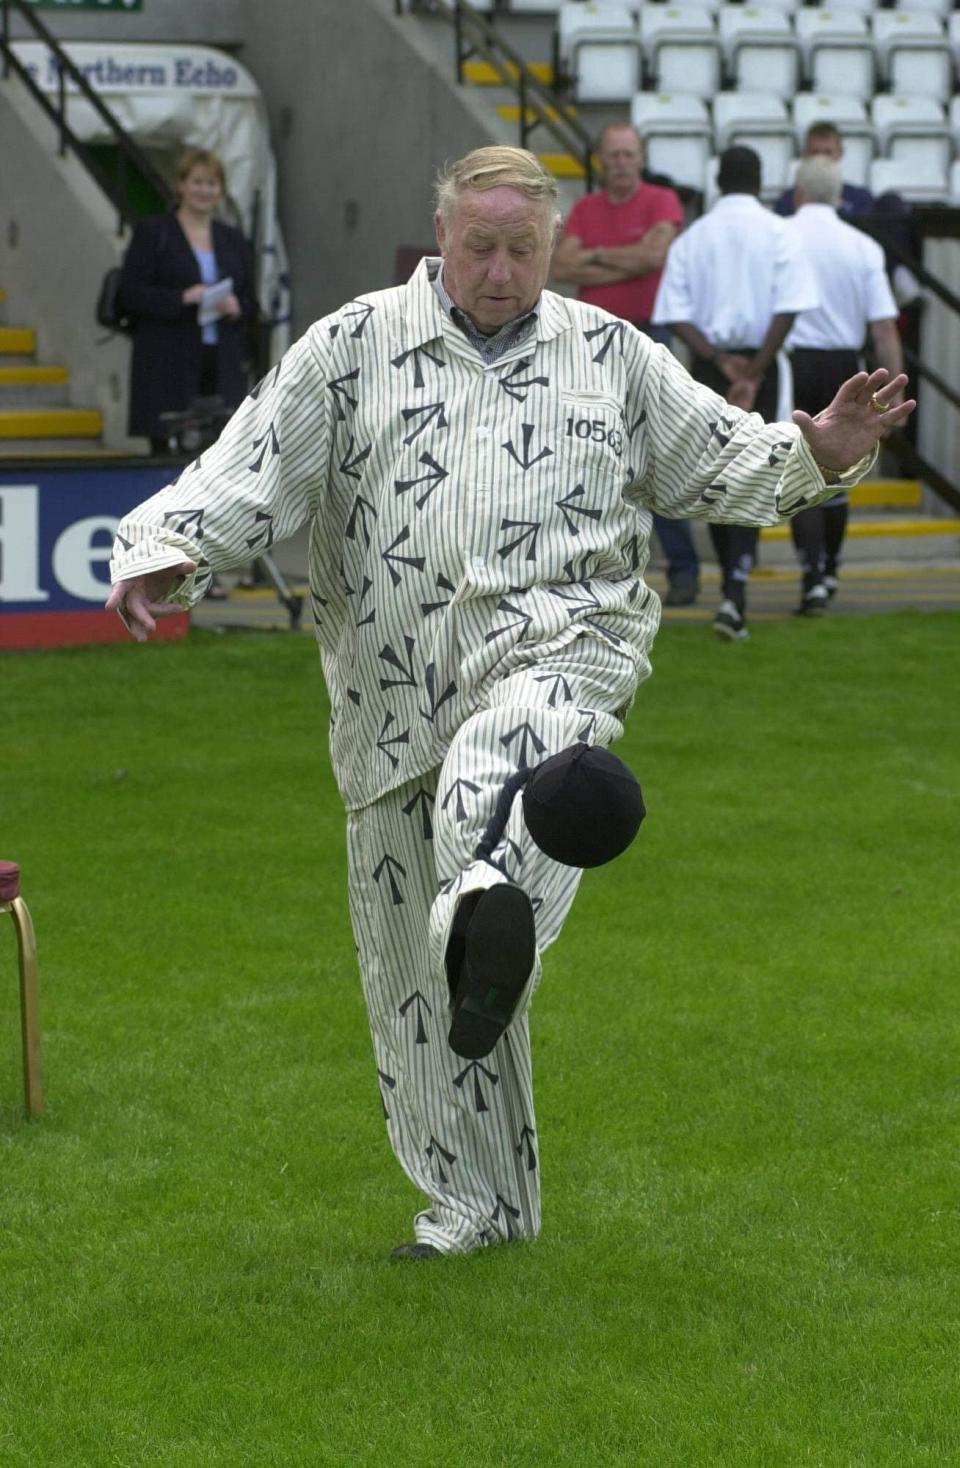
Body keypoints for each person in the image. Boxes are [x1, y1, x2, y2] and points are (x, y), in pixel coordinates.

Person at [106, 145, 912, 1260]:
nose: (498, 271)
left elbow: (719, 458)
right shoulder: (351, 347)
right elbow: (249, 468)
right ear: (440, 236)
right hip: (388, 696)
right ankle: (476, 1204)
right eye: (479, 246)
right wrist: (166, 548)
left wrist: (819, 446)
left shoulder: (610, 355)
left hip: (559, 645)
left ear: (552, 248)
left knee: (504, 773)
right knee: (414, 991)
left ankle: (484, 898)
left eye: (521, 250)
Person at [651, 146, 820, 641]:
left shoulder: (693, 238)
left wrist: (720, 362)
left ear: (719, 180)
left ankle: (731, 588)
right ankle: (735, 590)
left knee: (717, 476)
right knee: (755, 473)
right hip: (761, 364)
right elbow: (789, 308)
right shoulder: (780, 231)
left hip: (709, 364)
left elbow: (675, 313)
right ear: (760, 179)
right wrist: (755, 370)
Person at [551, 124, 700, 608]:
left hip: (648, 339)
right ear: (599, 161)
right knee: (588, 458)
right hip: (590, 344)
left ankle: (685, 571)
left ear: (640, 159)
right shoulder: (584, 209)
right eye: (612, 155)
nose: (620, 163)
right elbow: (560, 268)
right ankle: (592, 572)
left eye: (628, 154)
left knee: (656, 455)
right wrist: (625, 261)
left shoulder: (662, 202)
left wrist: (594, 257)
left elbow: (655, 256)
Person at [786, 156, 905, 614]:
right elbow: (884, 330)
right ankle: (830, 568)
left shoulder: (782, 237)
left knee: (800, 467)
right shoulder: (862, 246)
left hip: (795, 360)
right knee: (841, 470)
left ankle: (813, 573)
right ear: (839, 196)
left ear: (797, 193)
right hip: (845, 367)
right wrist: (891, 397)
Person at [120, 147, 258, 457]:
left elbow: (252, 302)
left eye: (211, 184)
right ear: (181, 185)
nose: (204, 191)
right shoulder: (154, 232)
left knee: (220, 453)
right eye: (197, 182)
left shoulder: (232, 238)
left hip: (220, 361)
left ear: (220, 190)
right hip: (168, 361)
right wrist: (182, 298)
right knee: (168, 454)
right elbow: (131, 294)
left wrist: (236, 309)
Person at [774, 122, 875, 220]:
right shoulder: (787, 200)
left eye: (827, 153)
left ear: (840, 153)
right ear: (805, 154)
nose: (821, 158)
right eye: (815, 152)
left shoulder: (861, 199)